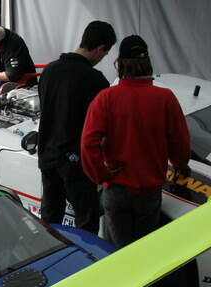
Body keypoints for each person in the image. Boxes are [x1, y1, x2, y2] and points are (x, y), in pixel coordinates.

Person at [81, 35, 190, 248]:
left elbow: (88, 144)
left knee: (116, 252)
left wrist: (101, 175)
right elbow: (180, 141)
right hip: (149, 191)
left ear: (120, 63)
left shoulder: (105, 98)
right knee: (144, 251)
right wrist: (180, 165)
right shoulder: (165, 98)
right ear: (147, 62)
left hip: (116, 187)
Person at [37, 21, 116, 235]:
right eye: (105, 53)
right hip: (76, 161)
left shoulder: (49, 70)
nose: (102, 58)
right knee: (87, 221)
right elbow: (101, 128)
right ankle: (86, 256)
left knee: (50, 218)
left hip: (47, 154)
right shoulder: (95, 80)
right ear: (100, 48)